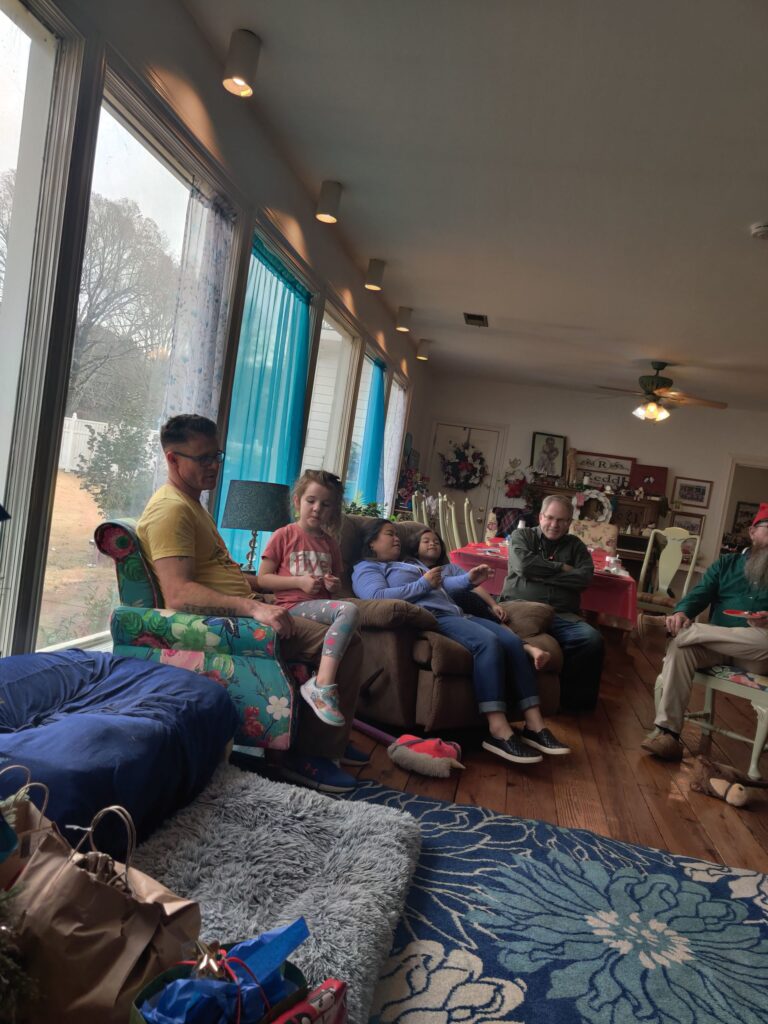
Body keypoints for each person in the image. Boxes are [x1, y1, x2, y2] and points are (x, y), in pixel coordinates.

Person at [136, 414, 366, 793]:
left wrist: (266, 592)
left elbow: (218, 573)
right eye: (203, 458)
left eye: (217, 456)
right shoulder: (170, 510)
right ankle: (312, 754)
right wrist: (255, 607)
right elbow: (178, 593)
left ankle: (331, 739)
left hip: (250, 607)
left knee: (344, 627)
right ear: (173, 459)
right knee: (349, 643)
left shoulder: (192, 505)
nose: (214, 466)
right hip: (236, 625)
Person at [352, 518, 570, 764]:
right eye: (389, 534)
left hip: (457, 614)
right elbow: (376, 596)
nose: (396, 539)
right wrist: (422, 584)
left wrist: (469, 580)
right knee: (487, 643)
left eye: (396, 534)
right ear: (371, 543)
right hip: (434, 618)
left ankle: (535, 725)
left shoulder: (408, 564)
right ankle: (498, 729)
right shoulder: (367, 568)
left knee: (512, 642)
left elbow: (444, 584)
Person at [642, 502, 768, 761]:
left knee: (763, 641)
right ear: (752, 532)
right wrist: (681, 613)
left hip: (755, 653)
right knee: (681, 649)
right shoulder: (726, 564)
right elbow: (699, 595)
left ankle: (691, 631)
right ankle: (668, 734)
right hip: (715, 646)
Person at [258, 470, 360, 729]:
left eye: (325, 504)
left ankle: (324, 699)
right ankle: (322, 685)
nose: (317, 509)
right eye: (311, 501)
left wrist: (333, 585)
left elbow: (334, 586)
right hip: (292, 606)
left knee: (351, 626)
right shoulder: (284, 535)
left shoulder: (331, 544)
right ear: (297, 501)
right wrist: (298, 582)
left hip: (316, 608)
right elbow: (263, 579)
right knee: (349, 611)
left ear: (333, 510)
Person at [501, 494, 604, 711]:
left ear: (569, 523)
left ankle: (570, 703)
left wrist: (540, 575)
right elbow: (523, 566)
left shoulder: (576, 546)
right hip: (521, 608)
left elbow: (584, 579)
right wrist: (561, 568)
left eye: (561, 520)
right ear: (540, 517)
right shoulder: (522, 535)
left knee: (592, 639)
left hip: (562, 615)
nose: (554, 525)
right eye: (549, 518)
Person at [405, 527, 552, 670]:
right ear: (415, 547)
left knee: (461, 593)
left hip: (469, 605)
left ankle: (522, 644)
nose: (432, 544)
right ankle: (526, 647)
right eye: (426, 541)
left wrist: (493, 605)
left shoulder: (450, 568)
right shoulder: (411, 570)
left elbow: (474, 585)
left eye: (436, 542)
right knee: (457, 594)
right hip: (450, 612)